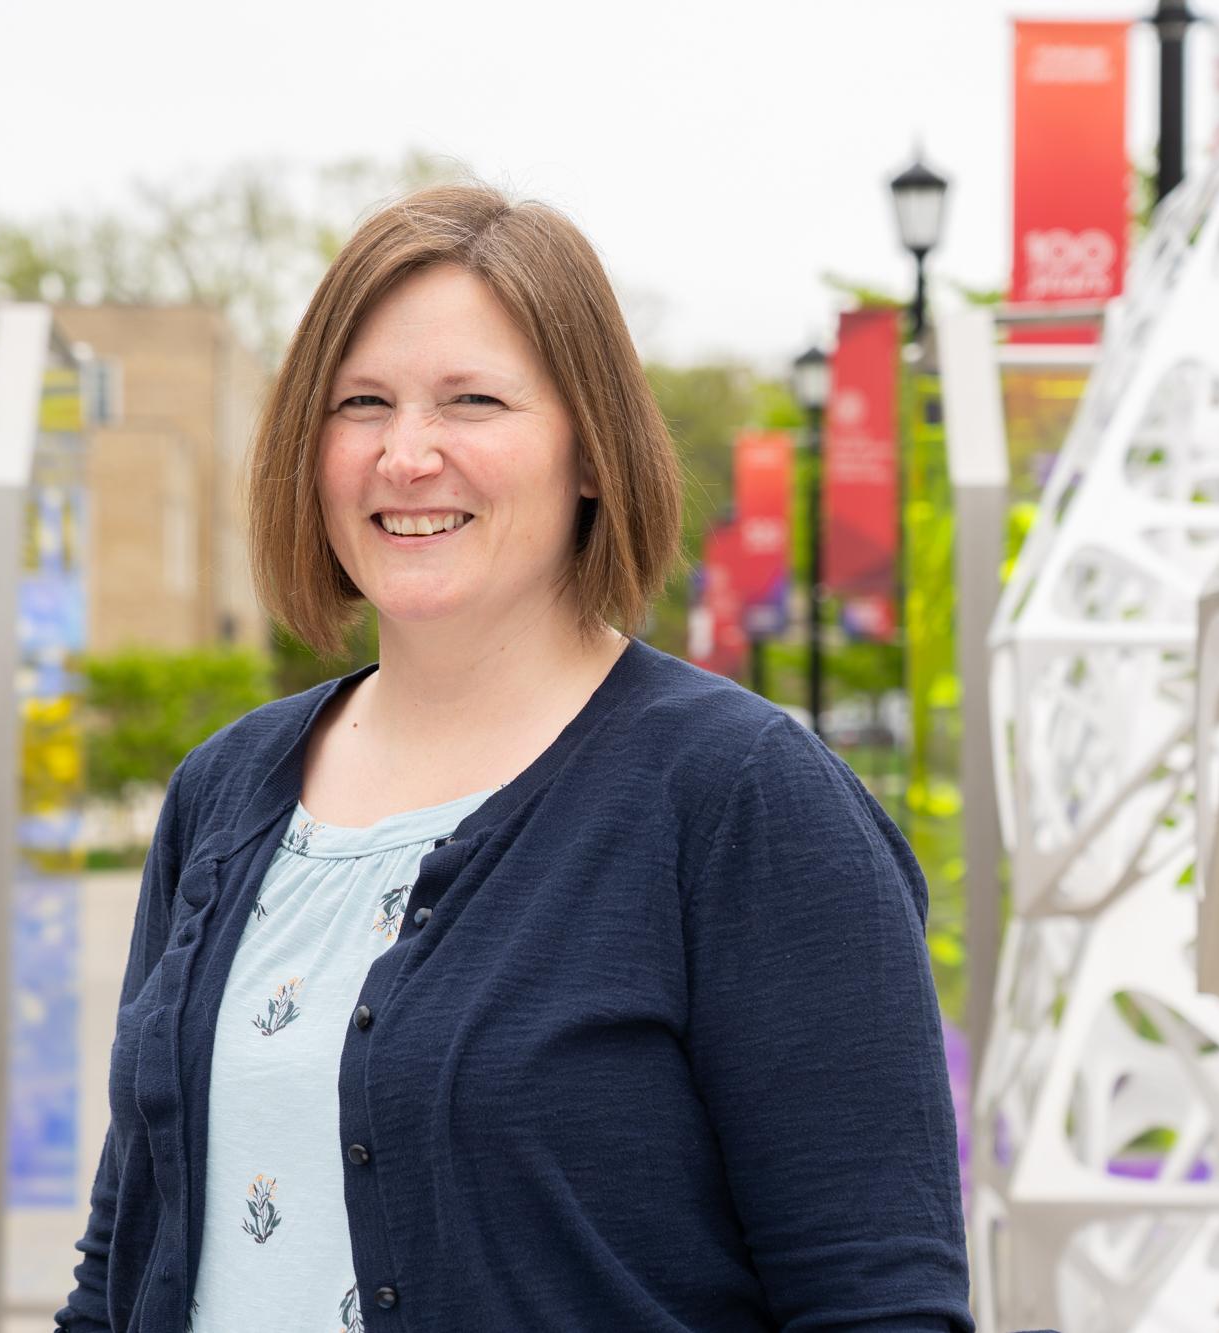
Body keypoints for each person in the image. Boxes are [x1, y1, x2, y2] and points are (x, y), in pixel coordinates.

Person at [57, 182, 973, 1332]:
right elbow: (119, 1256)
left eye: (471, 400)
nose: (405, 454)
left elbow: (873, 1300)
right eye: (361, 403)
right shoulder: (224, 791)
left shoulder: (740, 801)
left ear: (591, 452)